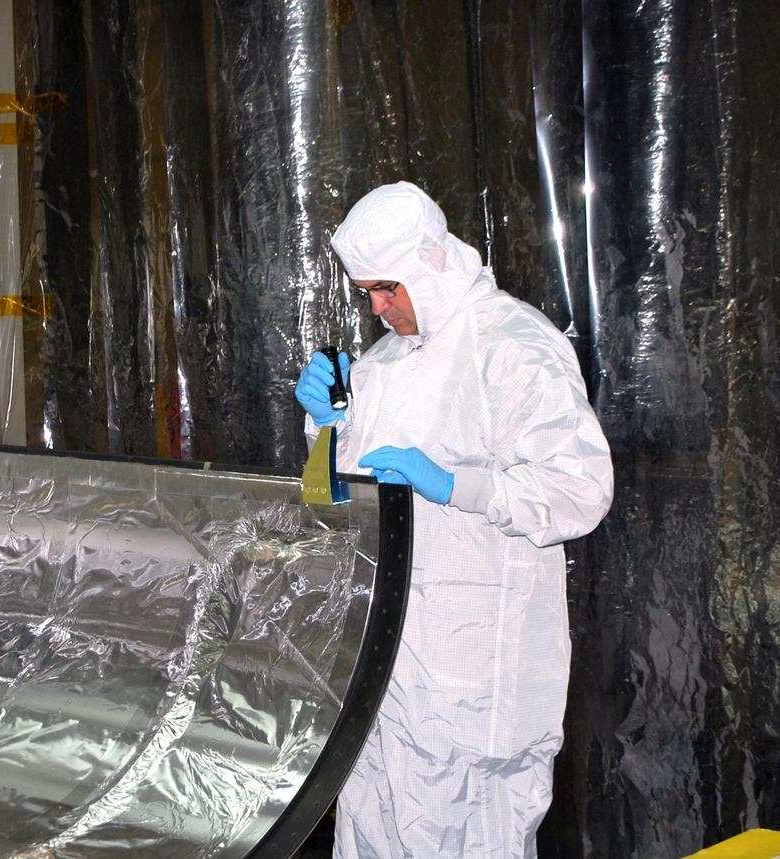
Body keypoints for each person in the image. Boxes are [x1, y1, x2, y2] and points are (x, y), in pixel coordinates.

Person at [295, 181, 613, 858]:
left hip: (476, 692)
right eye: (368, 293)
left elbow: (581, 489)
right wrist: (323, 429)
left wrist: (453, 485)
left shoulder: (514, 345)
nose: (378, 308)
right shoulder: (381, 366)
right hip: (383, 691)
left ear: (428, 263)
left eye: (387, 288)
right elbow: (330, 505)